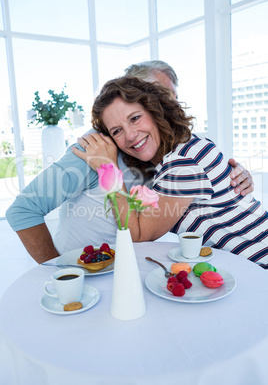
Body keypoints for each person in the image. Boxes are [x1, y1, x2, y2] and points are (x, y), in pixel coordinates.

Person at [5, 61, 253, 264]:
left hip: (126, 269)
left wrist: (234, 178)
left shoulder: (169, 155)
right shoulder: (93, 152)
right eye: (156, 95)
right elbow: (23, 210)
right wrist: (57, 270)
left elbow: (199, 175)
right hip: (80, 268)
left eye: (171, 97)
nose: (167, 106)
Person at [73, 76, 268, 268]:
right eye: (117, 131)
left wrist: (108, 168)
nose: (130, 135)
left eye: (135, 118)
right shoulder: (183, 149)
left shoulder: (182, 162)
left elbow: (138, 235)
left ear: (154, 111)